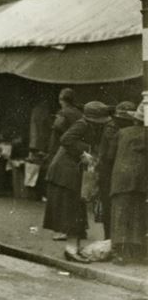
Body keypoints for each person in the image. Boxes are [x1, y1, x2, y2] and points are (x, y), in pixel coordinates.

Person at [43, 100, 111, 262]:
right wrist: (85, 153)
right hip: (65, 173)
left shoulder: (88, 125)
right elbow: (65, 139)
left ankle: (73, 248)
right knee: (72, 211)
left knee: (75, 211)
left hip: (69, 173)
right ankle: (71, 250)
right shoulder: (82, 124)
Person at [109, 103, 147, 264]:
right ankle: (137, 252)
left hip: (121, 178)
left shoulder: (121, 133)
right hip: (141, 179)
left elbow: (110, 155)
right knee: (138, 214)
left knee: (120, 213)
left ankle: (119, 253)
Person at [96, 101, 137, 240]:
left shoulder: (115, 128)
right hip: (108, 172)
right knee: (109, 208)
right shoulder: (112, 129)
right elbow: (109, 155)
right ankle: (109, 239)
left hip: (115, 171)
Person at [48, 88, 83, 159]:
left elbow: (55, 133)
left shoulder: (62, 113)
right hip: (77, 150)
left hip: (63, 151)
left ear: (61, 100)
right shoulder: (80, 113)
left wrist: (50, 153)